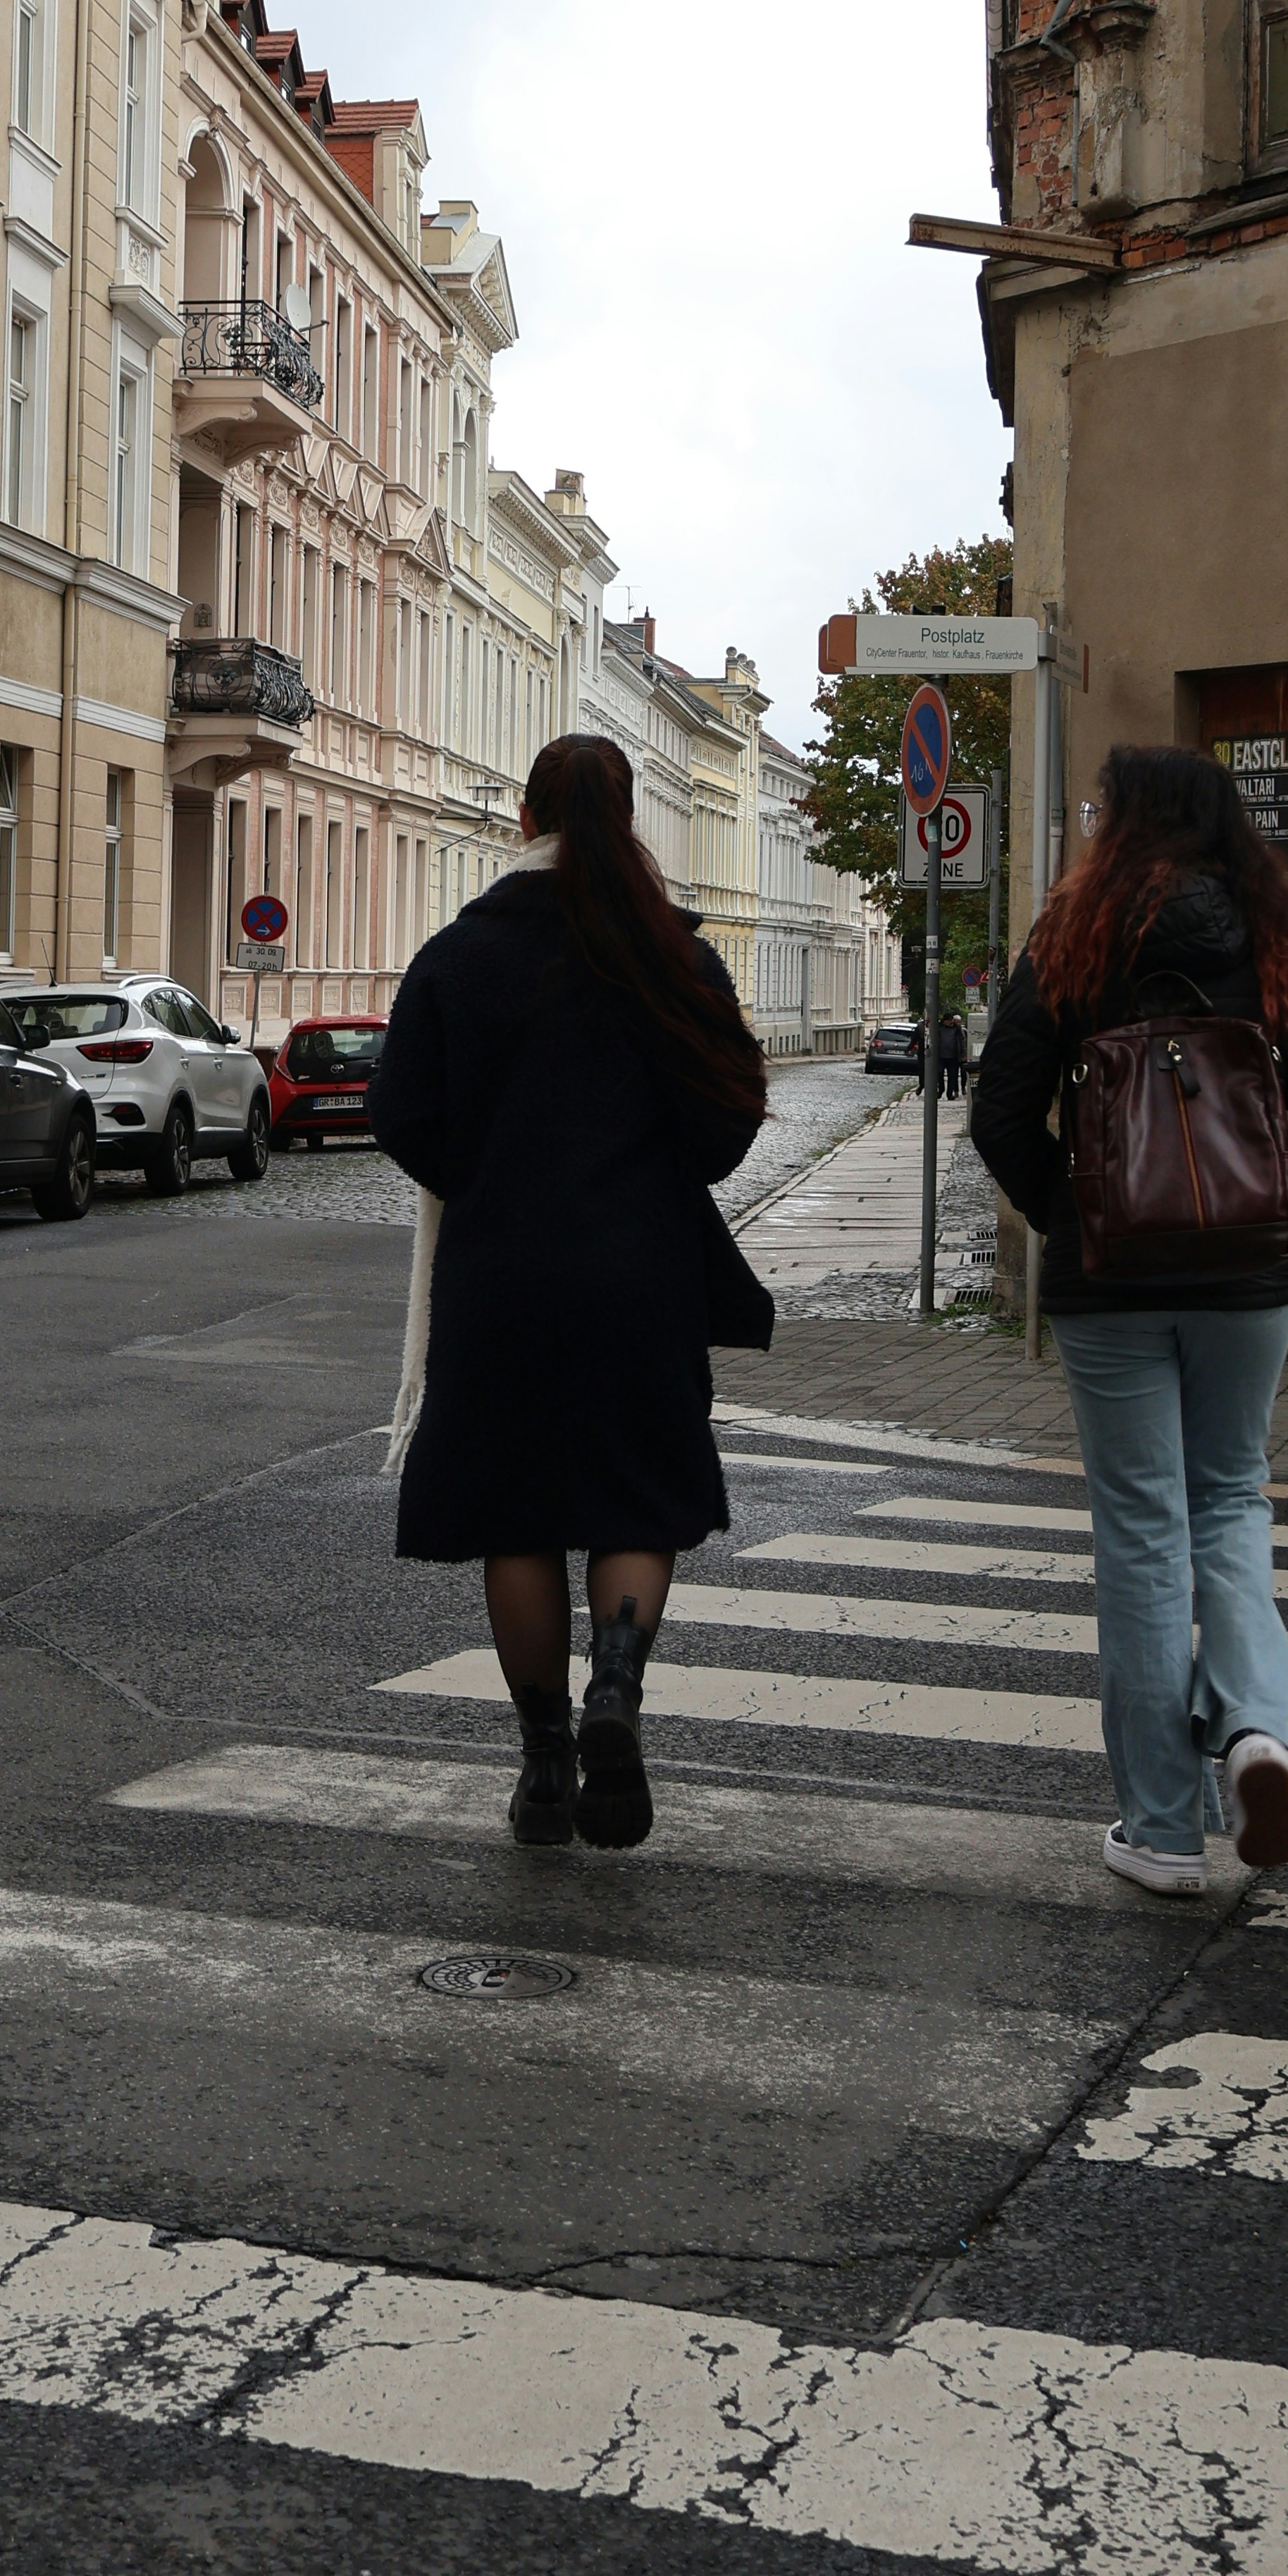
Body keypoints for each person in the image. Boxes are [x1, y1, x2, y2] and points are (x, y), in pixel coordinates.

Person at [969, 744, 1288, 1896]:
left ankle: (1160, 1832)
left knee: (1143, 1533)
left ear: (1119, 824)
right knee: (1234, 1496)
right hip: (1248, 1285)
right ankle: (1254, 1731)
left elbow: (1001, 1113)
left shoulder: (1072, 937)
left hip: (1112, 1285)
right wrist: (1269, 1213)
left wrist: (1080, 1214)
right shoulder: (1283, 936)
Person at [369, 732, 772, 1851]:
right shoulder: (675, 960)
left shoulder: (460, 953)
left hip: (502, 1275)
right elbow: (731, 1116)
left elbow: (402, 1116)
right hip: (639, 1272)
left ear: (524, 818)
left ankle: (546, 1760)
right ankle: (617, 1697)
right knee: (638, 1499)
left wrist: (491, 1175)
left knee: (519, 1512)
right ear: (628, 816)